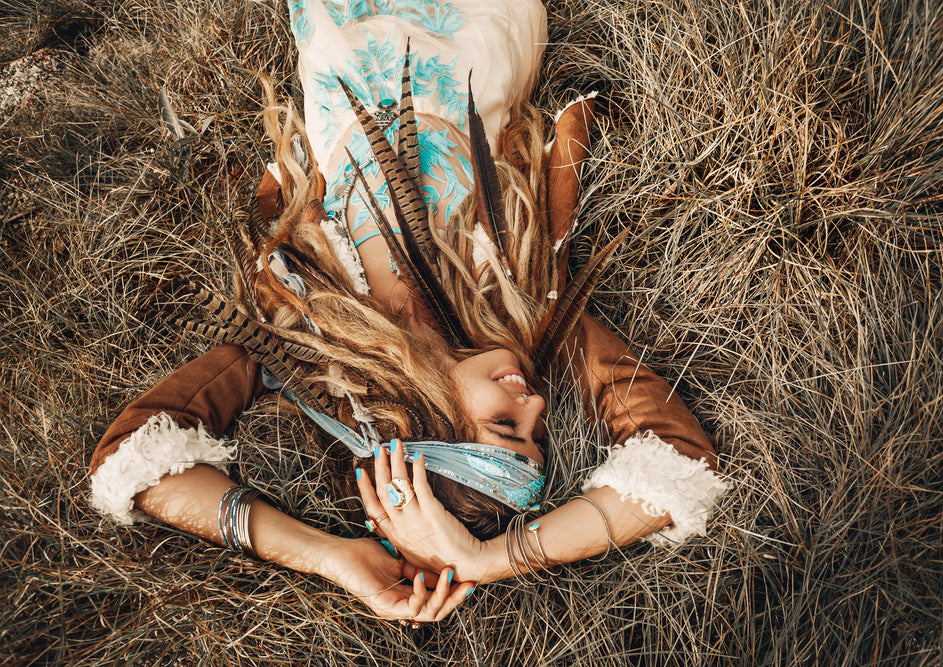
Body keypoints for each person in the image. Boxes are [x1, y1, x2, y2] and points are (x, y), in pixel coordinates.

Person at [88, 0, 728, 626]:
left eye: (506, 427)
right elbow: (681, 460)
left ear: (425, 425)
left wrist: (329, 557)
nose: (533, 403)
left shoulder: (311, 336)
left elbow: (130, 460)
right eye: (538, 432)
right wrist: (497, 559)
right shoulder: (523, 312)